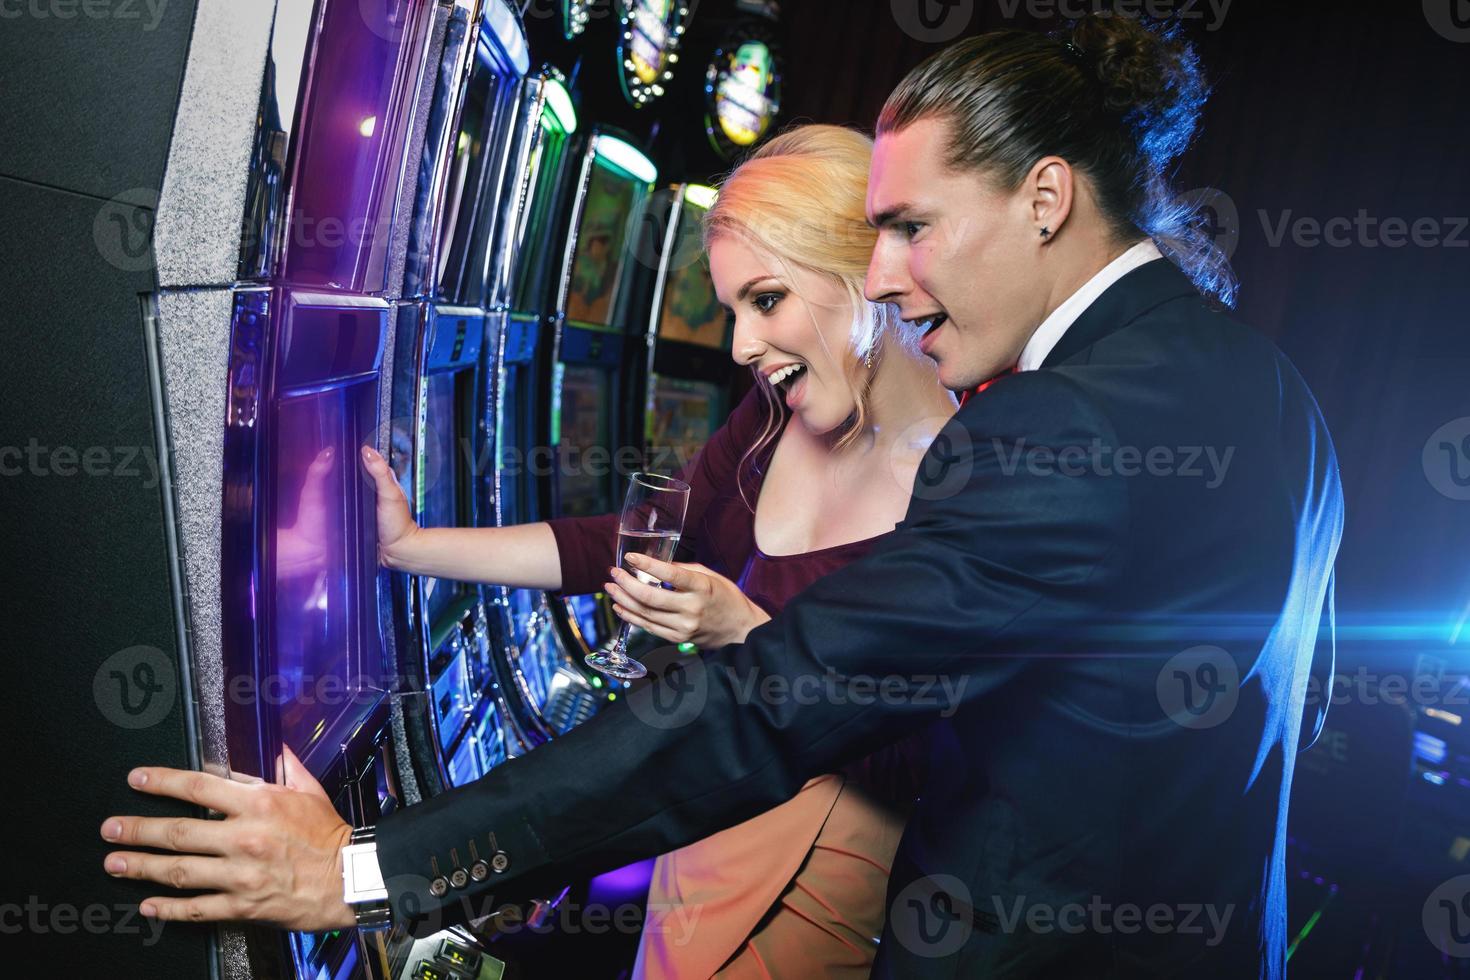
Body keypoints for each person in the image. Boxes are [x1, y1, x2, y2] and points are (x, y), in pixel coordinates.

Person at [101, 13, 1343, 980]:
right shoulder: (1277, 394)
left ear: (1046, 196)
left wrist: (366, 870)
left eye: (912, 226)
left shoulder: (1056, 425)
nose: (894, 278)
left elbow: (771, 708)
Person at [361, 123, 953, 977]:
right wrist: (414, 547)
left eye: (768, 299)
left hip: (817, 884)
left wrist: (746, 632)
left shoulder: (977, 472)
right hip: (700, 829)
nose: (743, 347)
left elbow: (938, 761)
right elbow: (628, 542)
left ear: (864, 269)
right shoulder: (769, 422)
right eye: (732, 312)